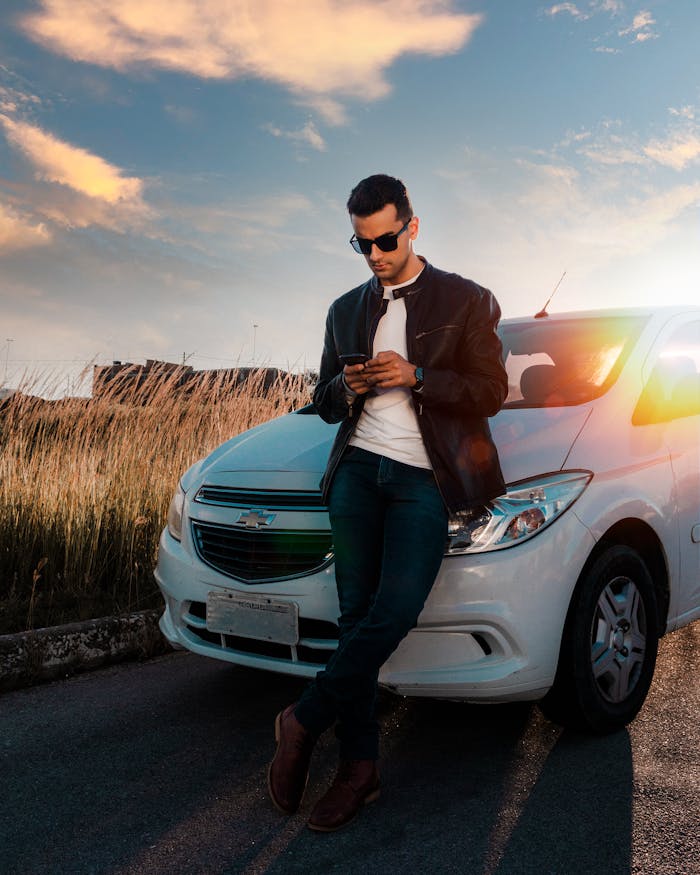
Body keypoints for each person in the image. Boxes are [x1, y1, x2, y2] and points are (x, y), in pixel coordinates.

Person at [267, 173, 508, 831]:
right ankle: (360, 770)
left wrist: (418, 375)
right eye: (361, 244)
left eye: (385, 239)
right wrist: (344, 389)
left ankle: (302, 717)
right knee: (356, 622)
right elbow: (321, 402)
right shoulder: (344, 309)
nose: (375, 255)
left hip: (421, 481)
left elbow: (491, 389)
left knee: (393, 611)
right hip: (355, 476)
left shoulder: (466, 299)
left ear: (412, 225)